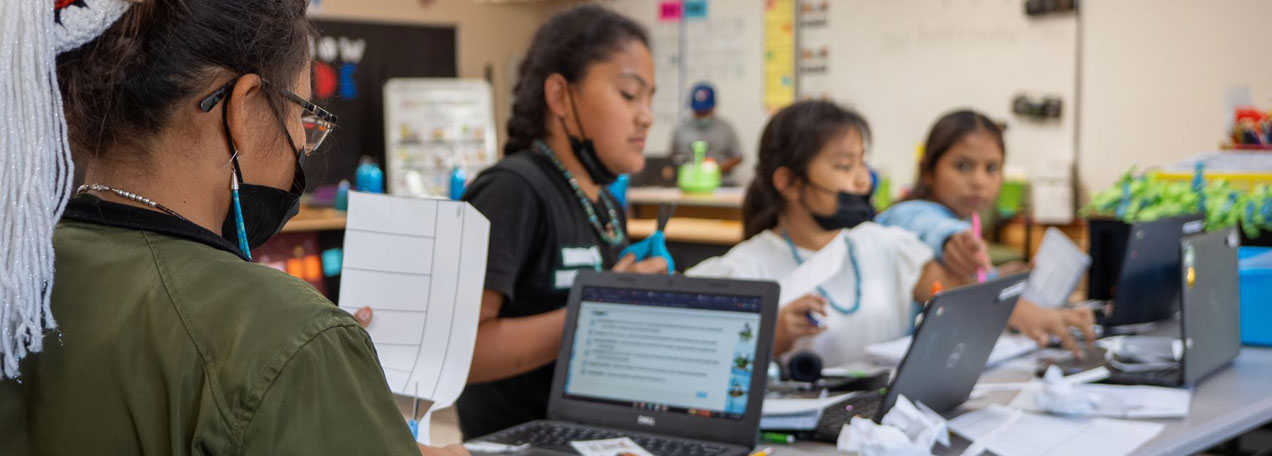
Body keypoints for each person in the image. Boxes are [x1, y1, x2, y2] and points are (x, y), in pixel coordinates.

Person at [0, 0, 463, 454]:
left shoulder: (15, 282)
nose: (302, 140)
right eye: (301, 112)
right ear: (244, 107)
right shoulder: (291, 339)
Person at [457, 5, 667, 439]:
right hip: (521, 443)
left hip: (598, 438)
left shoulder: (605, 203)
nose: (646, 115)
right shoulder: (512, 189)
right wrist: (600, 309)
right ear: (559, 97)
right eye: (629, 94)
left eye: (650, 99)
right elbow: (459, 352)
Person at [687, 100, 961, 366]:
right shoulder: (743, 271)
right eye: (844, 166)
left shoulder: (885, 245)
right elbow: (706, 362)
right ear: (789, 182)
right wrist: (772, 337)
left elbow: (959, 302)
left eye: (863, 163)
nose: (863, 180)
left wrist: (966, 257)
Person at [875, 109, 1095, 353]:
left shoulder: (969, 219)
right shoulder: (906, 213)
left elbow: (961, 281)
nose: (979, 181)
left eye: (991, 168)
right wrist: (951, 239)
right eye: (962, 166)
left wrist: (995, 277)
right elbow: (929, 226)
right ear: (927, 170)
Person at [668, 82, 744, 183]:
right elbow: (671, 157)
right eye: (698, 111)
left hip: (721, 182)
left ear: (713, 107)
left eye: (705, 111)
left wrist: (717, 168)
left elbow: (738, 157)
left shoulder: (725, 128)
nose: (702, 115)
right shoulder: (681, 129)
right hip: (688, 182)